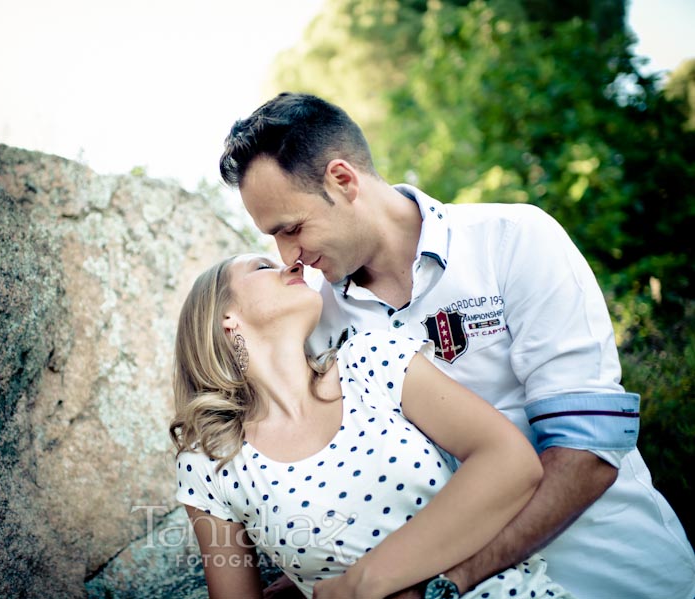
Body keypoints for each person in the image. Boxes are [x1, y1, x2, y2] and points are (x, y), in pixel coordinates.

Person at [218, 92, 695, 599]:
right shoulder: (320, 325)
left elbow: (589, 450)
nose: (288, 255)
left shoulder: (513, 239)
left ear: (342, 179)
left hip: (619, 573)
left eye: (292, 228)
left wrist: (447, 583)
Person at [171, 254, 573, 598]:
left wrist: (364, 582)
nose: (291, 264)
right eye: (262, 266)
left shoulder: (372, 360)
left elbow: (512, 463)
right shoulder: (211, 464)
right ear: (227, 318)